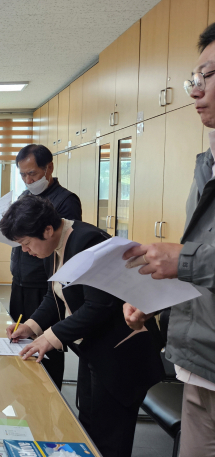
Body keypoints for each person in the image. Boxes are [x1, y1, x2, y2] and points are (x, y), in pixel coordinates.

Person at [2, 195, 163, 457]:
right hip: (96, 349)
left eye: (26, 243)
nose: (25, 250)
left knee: (109, 435)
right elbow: (55, 295)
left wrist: (50, 337)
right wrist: (31, 327)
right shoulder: (53, 246)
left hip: (120, 354)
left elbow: (98, 306)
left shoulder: (86, 241)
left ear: (47, 229)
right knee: (88, 425)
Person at [122, 23, 215, 456]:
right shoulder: (208, 162)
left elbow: (195, 257)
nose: (195, 91)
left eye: (208, 77)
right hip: (201, 361)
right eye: (193, 80)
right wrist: (160, 300)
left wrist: (188, 260)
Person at [9, 144, 82, 389]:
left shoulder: (65, 201)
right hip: (21, 280)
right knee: (21, 339)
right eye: (23, 175)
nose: (28, 180)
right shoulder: (25, 197)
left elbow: (63, 251)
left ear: (48, 168)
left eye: (33, 174)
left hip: (45, 282)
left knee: (46, 352)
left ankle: (48, 394)